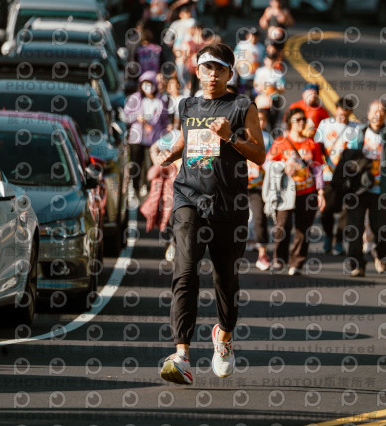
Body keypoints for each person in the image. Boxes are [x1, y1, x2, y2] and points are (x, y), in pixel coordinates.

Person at [151, 43, 266, 384]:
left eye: (219, 68)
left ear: (230, 73)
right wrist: (169, 154)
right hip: (188, 197)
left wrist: (231, 137)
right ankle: (182, 355)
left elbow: (259, 154)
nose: (212, 74)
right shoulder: (187, 105)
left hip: (229, 205)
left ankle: (224, 336)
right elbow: (186, 140)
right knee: (185, 273)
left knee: (225, 279)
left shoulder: (242, 106)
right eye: (206, 68)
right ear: (197, 71)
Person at [346, 100, 386, 277]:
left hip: (381, 190)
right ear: (369, 114)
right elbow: (348, 158)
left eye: (382, 112)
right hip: (359, 190)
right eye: (375, 111)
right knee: (355, 229)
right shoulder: (359, 134)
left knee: (381, 229)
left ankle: (380, 254)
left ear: (385, 115)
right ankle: (357, 264)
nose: (378, 115)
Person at [265, 108, 325, 276]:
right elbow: (267, 164)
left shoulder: (311, 144)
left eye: (303, 120)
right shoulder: (281, 142)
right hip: (286, 193)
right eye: (297, 120)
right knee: (282, 226)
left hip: (307, 192)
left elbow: (317, 169)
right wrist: (283, 166)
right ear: (289, 122)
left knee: (303, 229)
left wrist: (320, 192)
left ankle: (297, 262)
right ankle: (279, 260)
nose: (301, 123)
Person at [315, 97, 359, 256]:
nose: (343, 116)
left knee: (347, 209)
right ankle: (328, 236)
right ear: (336, 110)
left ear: (350, 112)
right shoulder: (325, 125)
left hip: (348, 177)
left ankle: (339, 240)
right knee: (326, 209)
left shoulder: (357, 129)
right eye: (340, 112)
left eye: (346, 114)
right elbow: (317, 146)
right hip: (328, 175)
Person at [124, 71, 170, 199]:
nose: (148, 88)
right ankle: (134, 188)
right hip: (137, 138)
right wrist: (137, 117)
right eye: (145, 85)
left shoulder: (161, 100)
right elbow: (126, 115)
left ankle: (149, 189)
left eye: (150, 85)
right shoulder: (135, 98)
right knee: (135, 163)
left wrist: (165, 135)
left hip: (153, 139)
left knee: (150, 165)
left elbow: (164, 120)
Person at [248, 109, 272, 270]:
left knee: (259, 217)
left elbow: (272, 158)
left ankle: (262, 253)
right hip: (238, 184)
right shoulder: (239, 133)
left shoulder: (268, 138)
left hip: (258, 185)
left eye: (262, 119)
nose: (259, 122)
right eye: (256, 119)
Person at [233, 27, 265, 97]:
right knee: (241, 93)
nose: (254, 38)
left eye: (256, 37)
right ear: (248, 36)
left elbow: (263, 61)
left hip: (254, 75)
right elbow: (235, 58)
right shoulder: (241, 45)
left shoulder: (261, 48)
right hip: (242, 75)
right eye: (252, 36)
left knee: (252, 95)